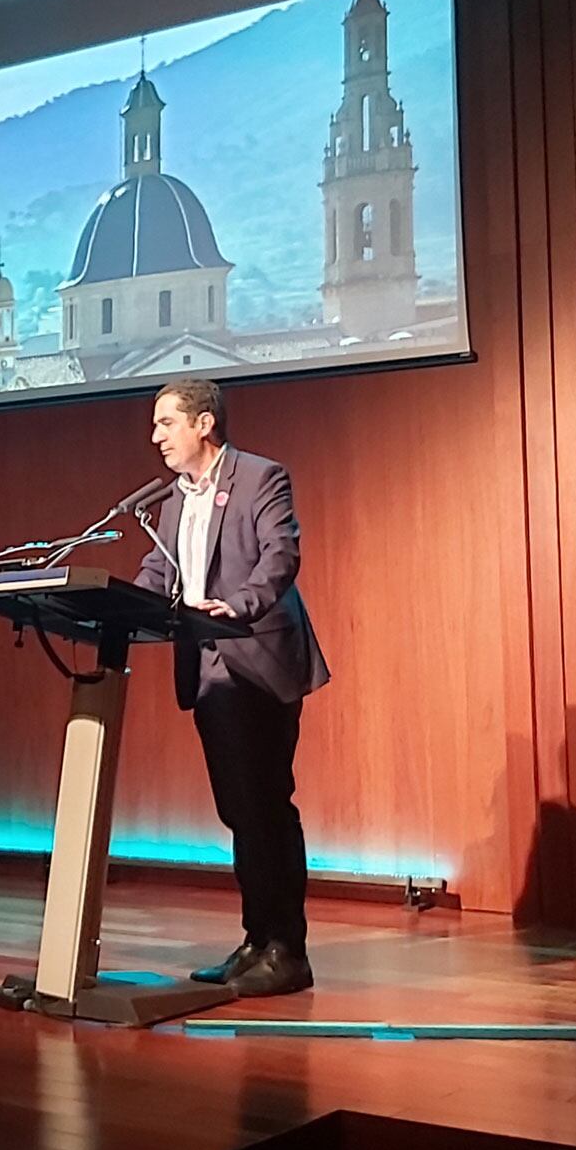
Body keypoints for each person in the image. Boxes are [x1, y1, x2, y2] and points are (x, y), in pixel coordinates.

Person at [134, 378, 330, 997]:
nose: (156, 435)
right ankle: (255, 940)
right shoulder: (170, 499)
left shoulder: (261, 477)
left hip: (257, 655)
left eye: (167, 422)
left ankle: (288, 950)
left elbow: (280, 556)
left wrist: (237, 605)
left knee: (267, 803)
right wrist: (119, 605)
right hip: (207, 668)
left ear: (204, 424)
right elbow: (158, 570)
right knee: (237, 809)